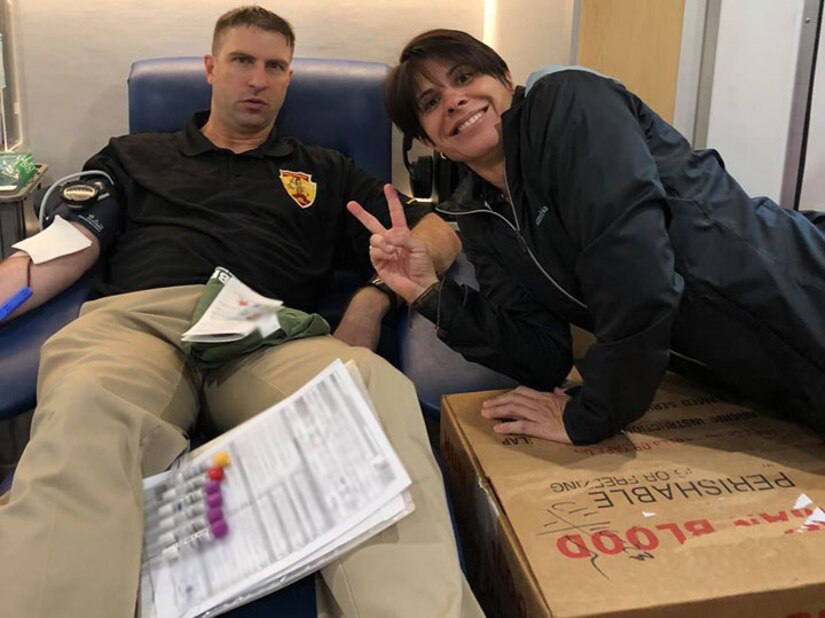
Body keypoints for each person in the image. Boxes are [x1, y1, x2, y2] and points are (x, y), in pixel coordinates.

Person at [0, 10, 483, 618]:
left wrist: (373, 296)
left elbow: (436, 228)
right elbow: (65, 246)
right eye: (242, 61)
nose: (258, 79)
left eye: (275, 66)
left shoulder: (323, 169)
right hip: (140, 323)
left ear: (288, 78)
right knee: (84, 411)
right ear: (211, 68)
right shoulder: (132, 156)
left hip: (264, 331)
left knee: (371, 394)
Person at [348, 28, 825, 446]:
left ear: (504, 80)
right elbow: (541, 357)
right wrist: (429, 294)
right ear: (431, 142)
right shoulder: (483, 218)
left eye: (465, 77)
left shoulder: (568, 103)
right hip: (764, 379)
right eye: (430, 103)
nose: (453, 99)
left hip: (801, 294)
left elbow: (636, 273)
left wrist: (591, 414)